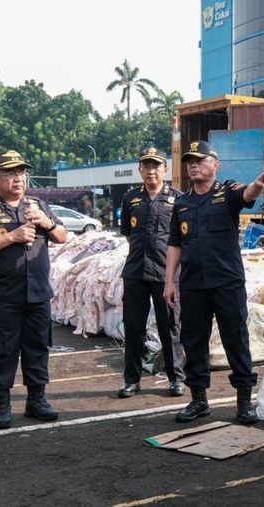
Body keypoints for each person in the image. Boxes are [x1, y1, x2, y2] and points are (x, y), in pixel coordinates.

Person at [164, 140, 264, 424]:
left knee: (236, 340)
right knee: (194, 341)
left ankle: (244, 402)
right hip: (193, 285)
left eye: (200, 160)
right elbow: (175, 244)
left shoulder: (227, 192)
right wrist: (169, 282)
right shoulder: (182, 203)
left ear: (216, 164)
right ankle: (198, 400)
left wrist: (259, 185)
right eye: (190, 161)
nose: (193, 165)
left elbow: (246, 195)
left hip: (227, 283)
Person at [0, 150, 68, 429]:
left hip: (37, 293)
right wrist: (12, 236)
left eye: (21, 172)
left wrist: (48, 223)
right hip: (0, 296)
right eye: (10, 172)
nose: (18, 178)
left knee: (37, 349)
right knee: (2, 350)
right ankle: (1, 405)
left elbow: (62, 236)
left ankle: (37, 400)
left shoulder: (38, 205)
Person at [116, 147, 186, 398]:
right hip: (135, 272)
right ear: (140, 170)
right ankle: (131, 380)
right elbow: (127, 234)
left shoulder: (177, 198)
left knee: (171, 327)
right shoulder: (130, 199)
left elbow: (181, 239)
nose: (151, 171)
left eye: (156, 166)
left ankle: (176, 379)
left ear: (165, 170)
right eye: (146, 166)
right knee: (133, 328)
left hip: (165, 274)